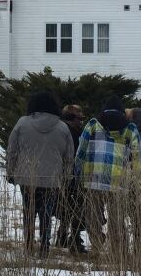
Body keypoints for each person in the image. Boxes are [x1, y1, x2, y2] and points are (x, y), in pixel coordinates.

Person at [74, 96, 141, 259]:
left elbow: (81, 150)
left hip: (93, 178)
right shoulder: (130, 128)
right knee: (117, 219)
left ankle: (97, 247)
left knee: (93, 217)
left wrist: (78, 172)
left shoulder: (92, 124)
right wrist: (137, 181)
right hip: (118, 181)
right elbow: (138, 158)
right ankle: (119, 252)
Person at [7, 92, 73, 257]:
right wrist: (65, 177)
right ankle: (44, 246)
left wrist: (11, 171)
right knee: (46, 212)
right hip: (52, 179)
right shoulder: (63, 127)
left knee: (28, 211)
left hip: (26, 177)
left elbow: (12, 150)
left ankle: (28, 245)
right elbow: (69, 156)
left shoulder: (22, 123)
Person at [55, 104, 88, 254]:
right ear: (71, 118)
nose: (81, 122)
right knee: (76, 208)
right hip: (72, 174)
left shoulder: (59, 129)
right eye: (79, 119)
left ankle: (62, 236)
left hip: (62, 174)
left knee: (65, 206)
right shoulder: (72, 132)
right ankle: (75, 239)